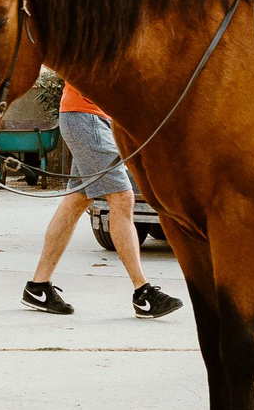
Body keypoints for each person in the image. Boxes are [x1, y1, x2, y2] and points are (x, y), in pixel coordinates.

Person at [20, 82, 182, 318]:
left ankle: (38, 287)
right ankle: (143, 292)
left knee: (77, 200)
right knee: (122, 197)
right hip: (87, 118)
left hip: (94, 118)